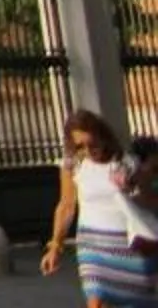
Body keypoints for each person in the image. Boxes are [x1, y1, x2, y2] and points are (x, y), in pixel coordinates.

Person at [45, 110, 158, 302]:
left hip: (128, 245)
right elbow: (66, 205)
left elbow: (149, 201)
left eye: (92, 144)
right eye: (80, 146)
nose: (88, 151)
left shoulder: (126, 163)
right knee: (96, 298)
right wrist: (56, 246)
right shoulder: (73, 165)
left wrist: (135, 188)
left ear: (102, 137)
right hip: (92, 246)